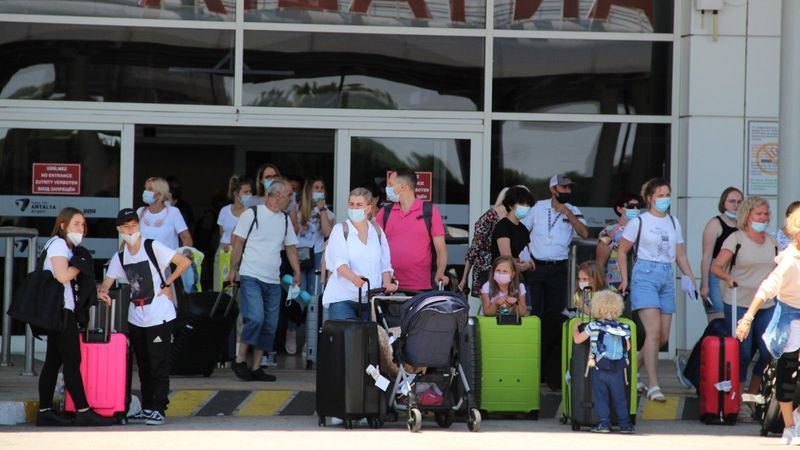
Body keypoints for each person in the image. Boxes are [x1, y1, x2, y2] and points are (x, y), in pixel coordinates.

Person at [98, 208, 192, 426]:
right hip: (136, 316)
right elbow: (107, 281)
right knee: (144, 364)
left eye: (133, 225)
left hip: (159, 315)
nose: (130, 229)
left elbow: (184, 262)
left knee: (158, 363)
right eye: (126, 226)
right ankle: (148, 407)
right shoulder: (120, 256)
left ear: (138, 226)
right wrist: (102, 290)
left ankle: (159, 408)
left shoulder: (152, 246)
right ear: (119, 229)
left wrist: (167, 284)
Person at [617, 178, 697, 403]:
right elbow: (622, 251)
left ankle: (630, 371)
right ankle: (654, 385)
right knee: (652, 334)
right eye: (660, 195)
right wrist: (625, 278)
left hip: (666, 275)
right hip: (645, 274)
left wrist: (689, 276)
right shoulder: (639, 222)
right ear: (650, 198)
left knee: (662, 337)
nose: (665, 199)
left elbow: (679, 253)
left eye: (667, 194)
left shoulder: (673, 222)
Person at [36, 208, 113, 427]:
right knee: (72, 361)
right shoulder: (59, 244)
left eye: (83, 224)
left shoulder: (65, 246)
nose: (81, 228)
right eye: (76, 223)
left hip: (58, 311)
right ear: (63, 225)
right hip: (61, 312)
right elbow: (62, 276)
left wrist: (94, 290)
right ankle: (83, 410)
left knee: (53, 361)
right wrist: (79, 264)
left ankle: (45, 412)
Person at [736, 208, 800, 444]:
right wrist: (747, 318)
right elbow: (766, 289)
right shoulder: (788, 262)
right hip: (789, 318)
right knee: (787, 373)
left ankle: (796, 416)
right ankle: (790, 428)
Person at [227, 178, 302, 381]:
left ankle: (257, 366)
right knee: (256, 318)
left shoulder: (285, 219)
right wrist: (233, 270)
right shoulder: (252, 214)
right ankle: (240, 359)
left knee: (270, 324)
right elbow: (238, 243)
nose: (291, 199)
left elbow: (291, 248)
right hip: (251, 275)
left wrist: (297, 272)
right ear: (277, 195)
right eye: (289, 195)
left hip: (273, 280)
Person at [711, 195, 777, 421]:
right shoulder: (736, 239)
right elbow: (716, 267)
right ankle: (736, 399)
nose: (763, 218)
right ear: (747, 216)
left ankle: (750, 394)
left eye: (766, 214)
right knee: (743, 351)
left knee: (769, 350)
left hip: (766, 304)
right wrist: (728, 277)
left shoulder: (772, 241)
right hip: (739, 302)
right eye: (759, 214)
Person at [521, 174, 589, 390]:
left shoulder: (574, 209)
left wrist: (568, 213)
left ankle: (549, 367)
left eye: (569, 188)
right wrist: (525, 258)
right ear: (552, 189)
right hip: (536, 267)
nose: (567, 191)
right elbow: (521, 232)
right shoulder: (538, 208)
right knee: (535, 316)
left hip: (558, 269)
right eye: (563, 187)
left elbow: (585, 233)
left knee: (553, 317)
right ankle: (534, 365)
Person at [322, 187, 396, 319]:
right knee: (348, 339)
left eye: (359, 205)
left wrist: (386, 283)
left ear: (368, 208)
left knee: (369, 339)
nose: (354, 208)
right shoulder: (340, 230)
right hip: (343, 299)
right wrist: (354, 278)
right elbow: (339, 263)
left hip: (371, 299)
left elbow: (384, 264)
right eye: (351, 204)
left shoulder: (377, 231)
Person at [573, 290, 634, 434]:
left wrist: (575, 328)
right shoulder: (623, 328)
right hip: (618, 369)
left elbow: (578, 340)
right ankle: (625, 425)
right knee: (620, 398)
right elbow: (628, 346)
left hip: (599, 367)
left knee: (601, 397)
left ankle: (604, 423)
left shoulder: (593, 326)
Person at [378, 168, 448, 291]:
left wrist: (440, 272)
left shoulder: (429, 212)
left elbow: (441, 249)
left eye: (390, 184)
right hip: (389, 287)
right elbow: (373, 247)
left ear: (402, 186)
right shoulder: (385, 212)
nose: (387, 188)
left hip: (421, 289)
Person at [290, 177, 334, 353]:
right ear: (308, 190)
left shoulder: (327, 212)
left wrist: (322, 209)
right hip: (298, 257)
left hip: (315, 256)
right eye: (316, 187)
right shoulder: (297, 209)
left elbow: (327, 233)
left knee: (313, 299)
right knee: (296, 297)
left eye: (322, 188)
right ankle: (291, 331)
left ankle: (310, 340)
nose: (320, 190)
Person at [699, 187, 743, 322]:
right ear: (723, 203)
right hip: (716, 275)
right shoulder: (715, 224)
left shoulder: (743, 225)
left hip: (735, 274)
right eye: (732, 201)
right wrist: (705, 285)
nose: (736, 205)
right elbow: (706, 257)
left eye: (739, 202)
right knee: (718, 320)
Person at [458, 188, 510, 297]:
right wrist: (464, 278)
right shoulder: (490, 217)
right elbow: (474, 248)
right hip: (487, 269)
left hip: (504, 268)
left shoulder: (513, 219)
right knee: (490, 307)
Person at [596, 192, 642, 290]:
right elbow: (600, 262)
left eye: (638, 206)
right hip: (615, 281)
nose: (635, 209)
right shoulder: (609, 231)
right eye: (631, 206)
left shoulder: (642, 229)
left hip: (639, 279)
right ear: (619, 209)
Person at [215, 175, 253, 292]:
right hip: (225, 251)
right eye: (245, 192)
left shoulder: (251, 211)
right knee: (221, 287)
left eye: (250, 191)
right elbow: (222, 234)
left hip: (244, 252)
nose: (249, 194)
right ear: (236, 194)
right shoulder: (224, 211)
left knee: (240, 290)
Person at [138, 176, 193, 250]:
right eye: (145, 188)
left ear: (159, 194)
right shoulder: (140, 211)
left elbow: (186, 238)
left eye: (150, 189)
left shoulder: (173, 212)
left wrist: (185, 253)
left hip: (167, 261)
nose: (145, 192)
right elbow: (131, 236)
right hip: (144, 260)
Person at [490, 186, 535, 268]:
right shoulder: (502, 226)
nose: (526, 207)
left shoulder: (523, 229)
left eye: (528, 204)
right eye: (521, 203)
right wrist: (524, 263)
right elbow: (506, 258)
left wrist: (528, 265)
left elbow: (530, 259)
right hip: (505, 275)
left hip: (521, 278)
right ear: (510, 205)